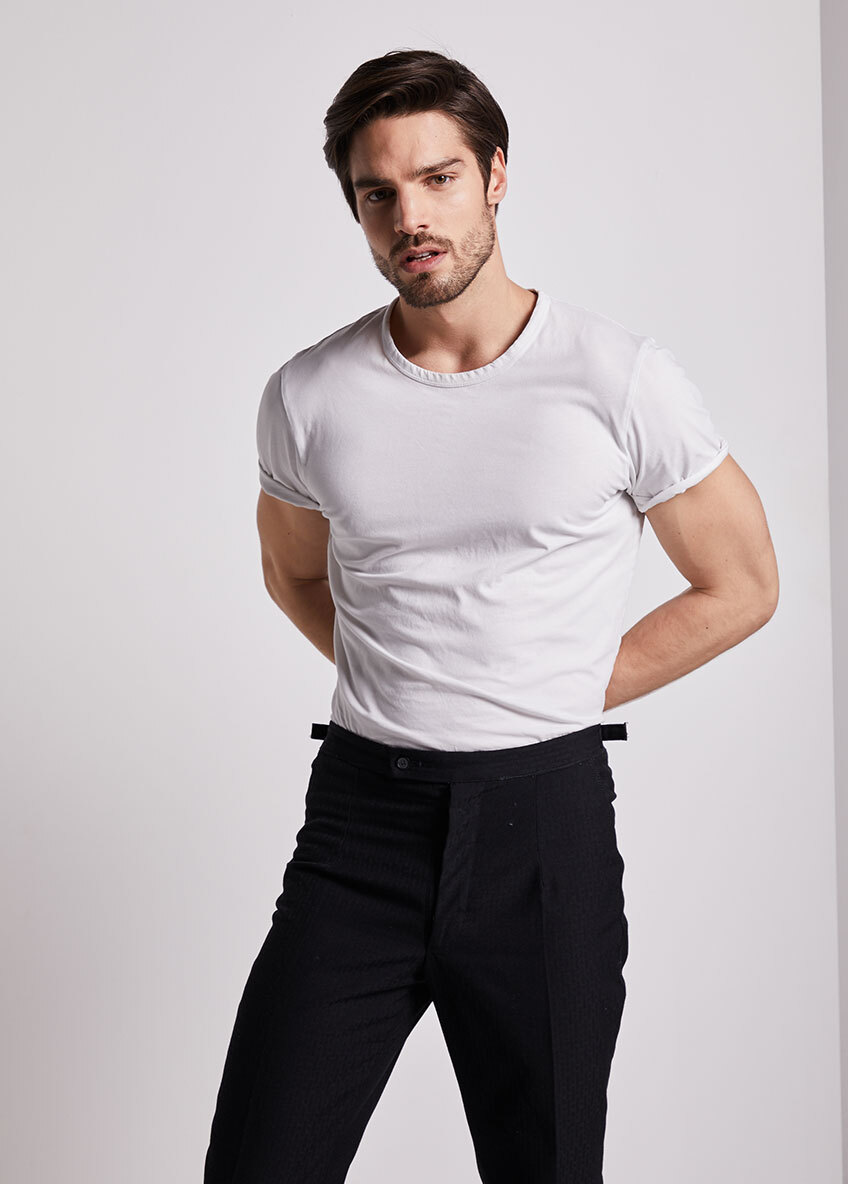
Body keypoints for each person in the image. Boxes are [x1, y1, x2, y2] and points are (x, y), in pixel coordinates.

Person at [204, 48, 779, 1184]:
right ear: (355, 208)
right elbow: (294, 576)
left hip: (542, 829)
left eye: (439, 178)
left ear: (496, 175)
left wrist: (550, 684)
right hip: (360, 829)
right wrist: (412, 679)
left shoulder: (617, 379)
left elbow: (743, 583)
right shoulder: (309, 395)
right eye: (379, 192)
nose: (411, 217)